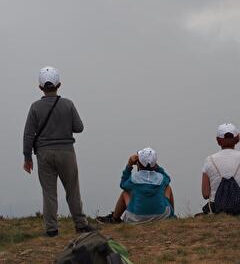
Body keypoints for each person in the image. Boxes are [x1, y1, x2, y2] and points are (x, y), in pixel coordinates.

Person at [23, 66, 94, 237]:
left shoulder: (35, 107)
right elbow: (79, 127)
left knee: (49, 193)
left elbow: (28, 135)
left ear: (40, 87)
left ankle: (52, 229)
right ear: (59, 85)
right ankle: (81, 225)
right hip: (66, 152)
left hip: (44, 154)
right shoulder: (68, 104)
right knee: (72, 189)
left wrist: (27, 157)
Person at [201, 123, 240, 215]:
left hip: (217, 207)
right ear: (237, 139)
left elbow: (206, 194)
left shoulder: (208, 160)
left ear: (218, 140)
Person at [97, 148, 175, 224]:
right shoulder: (161, 178)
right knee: (168, 187)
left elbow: (123, 184)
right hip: (161, 216)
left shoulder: (134, 179)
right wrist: (155, 166)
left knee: (125, 193)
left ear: (138, 163)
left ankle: (114, 219)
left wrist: (129, 165)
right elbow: (168, 179)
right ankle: (171, 216)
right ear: (155, 164)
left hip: (136, 218)